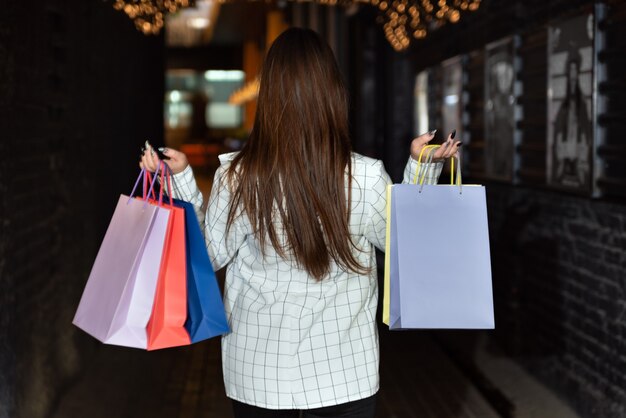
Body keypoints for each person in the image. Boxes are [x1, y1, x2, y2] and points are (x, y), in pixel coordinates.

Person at [141, 28, 460, 418]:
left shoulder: (240, 177)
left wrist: (181, 183)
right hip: (344, 374)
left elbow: (206, 259)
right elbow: (406, 251)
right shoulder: (365, 177)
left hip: (258, 374)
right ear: (332, 93)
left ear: (269, 96)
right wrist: (422, 171)